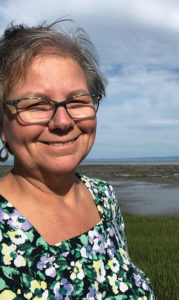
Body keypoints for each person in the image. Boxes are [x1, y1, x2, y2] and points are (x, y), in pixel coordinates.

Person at [0, 20, 155, 299]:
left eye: (77, 101)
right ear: (2, 127)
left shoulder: (104, 198)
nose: (63, 121)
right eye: (36, 104)